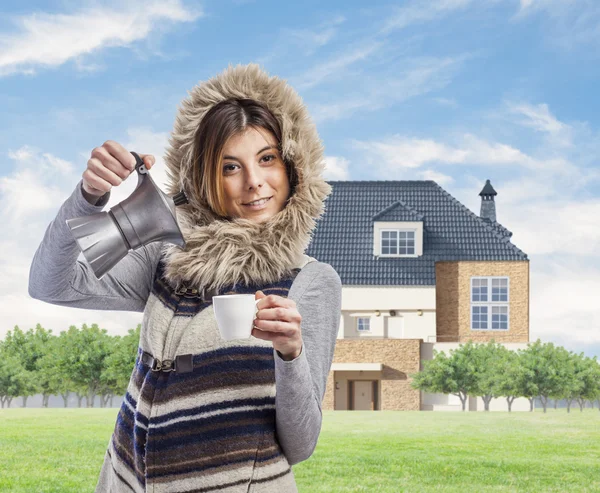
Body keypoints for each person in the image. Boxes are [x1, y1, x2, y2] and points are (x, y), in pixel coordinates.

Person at [28, 63, 342, 493]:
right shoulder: (167, 253)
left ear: (293, 167)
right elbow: (51, 283)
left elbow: (301, 443)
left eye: (266, 159)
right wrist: (88, 198)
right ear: (204, 177)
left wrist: (291, 354)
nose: (254, 183)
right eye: (230, 167)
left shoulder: (311, 281)